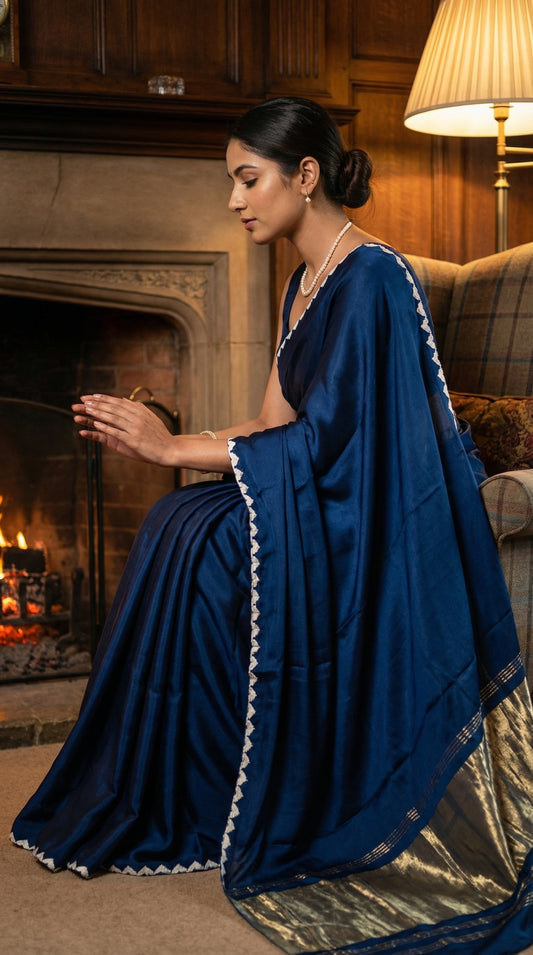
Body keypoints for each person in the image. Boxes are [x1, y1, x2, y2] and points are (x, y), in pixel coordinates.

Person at [11, 97, 533, 954]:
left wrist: (175, 441)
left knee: (213, 546)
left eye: (247, 179)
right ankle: (199, 792)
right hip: (316, 484)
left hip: (370, 513)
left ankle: (248, 793)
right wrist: (166, 451)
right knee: (181, 520)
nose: (234, 200)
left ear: (305, 174)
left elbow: (344, 445)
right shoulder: (302, 281)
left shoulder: (376, 278)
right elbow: (268, 424)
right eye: (231, 182)